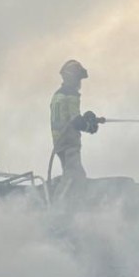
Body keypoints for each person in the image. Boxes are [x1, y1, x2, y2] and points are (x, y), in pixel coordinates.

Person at [49, 59, 101, 199]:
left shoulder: (58, 95)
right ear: (72, 78)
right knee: (74, 176)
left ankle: (71, 203)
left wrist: (86, 119)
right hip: (69, 141)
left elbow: (66, 118)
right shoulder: (71, 95)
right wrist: (90, 126)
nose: (79, 83)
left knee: (73, 174)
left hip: (60, 142)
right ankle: (59, 205)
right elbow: (75, 121)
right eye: (78, 79)